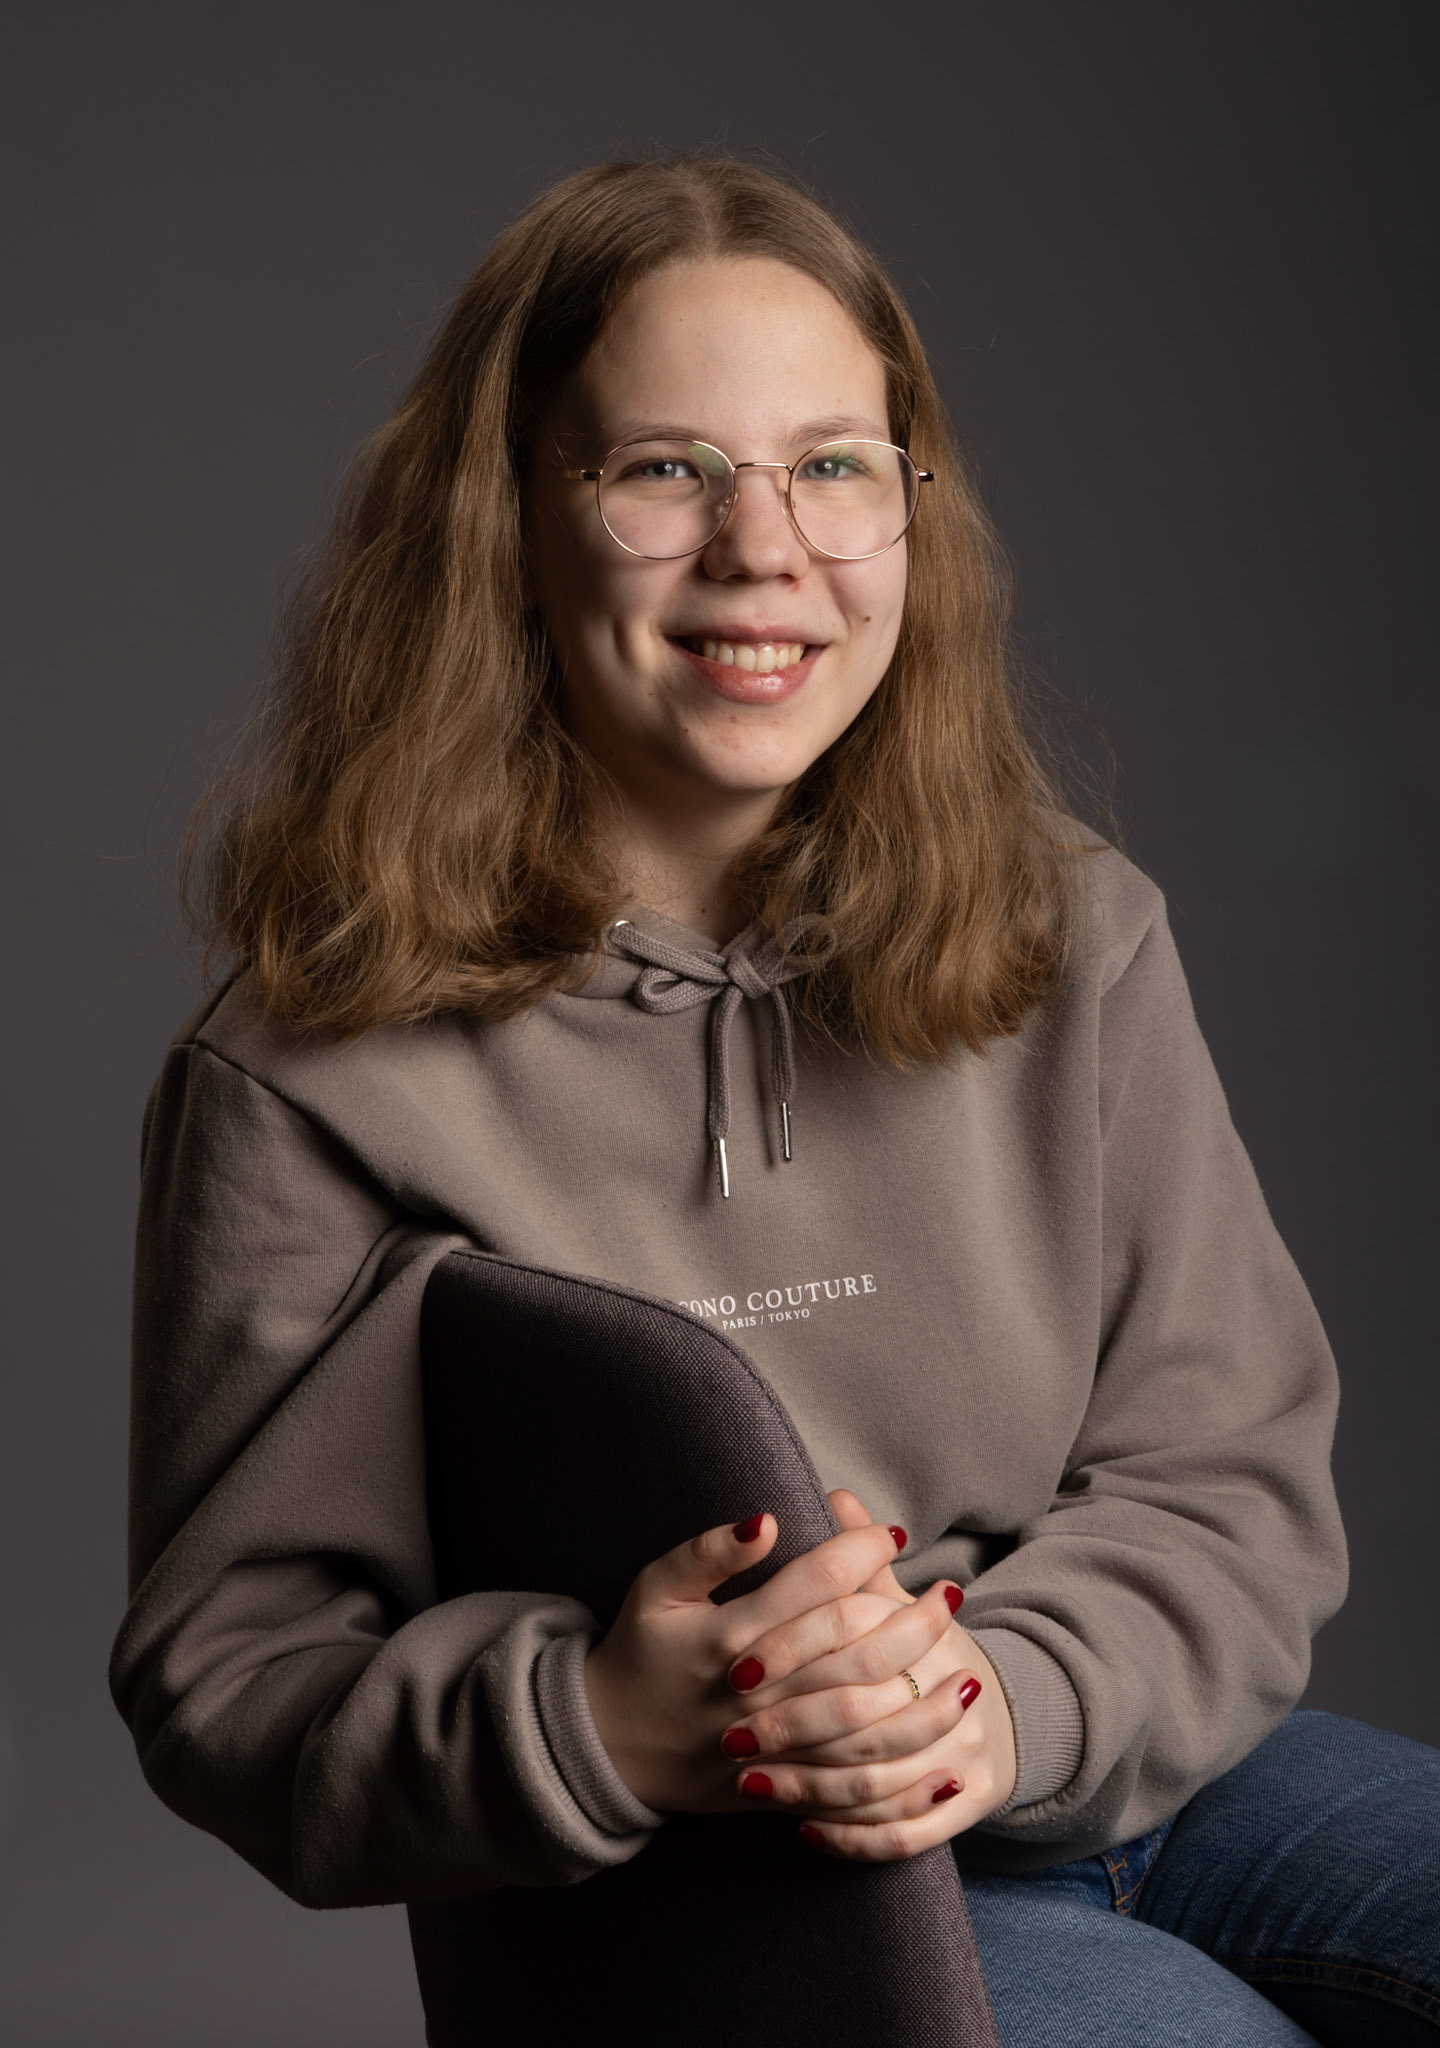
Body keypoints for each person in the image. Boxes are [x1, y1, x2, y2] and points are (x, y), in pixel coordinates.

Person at [109, 156, 1440, 2044]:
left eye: (832, 465)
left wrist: (1000, 1702)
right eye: (664, 469)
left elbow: (1229, 1472)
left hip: (1115, 1762)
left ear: (912, 511)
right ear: (507, 522)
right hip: (705, 1883)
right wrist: (601, 1717)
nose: (764, 549)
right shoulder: (313, 1070)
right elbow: (232, 1673)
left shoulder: (1074, 934)